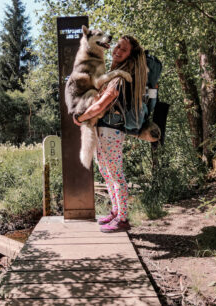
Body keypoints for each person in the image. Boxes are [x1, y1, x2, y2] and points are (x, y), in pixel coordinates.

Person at [74, 35, 147, 233]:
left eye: (123, 49)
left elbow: (103, 103)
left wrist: (81, 117)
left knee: (116, 176)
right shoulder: (114, 73)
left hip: (111, 131)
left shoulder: (120, 76)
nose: (117, 51)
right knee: (107, 174)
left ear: (130, 56)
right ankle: (116, 212)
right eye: (117, 47)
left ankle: (123, 219)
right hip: (103, 130)